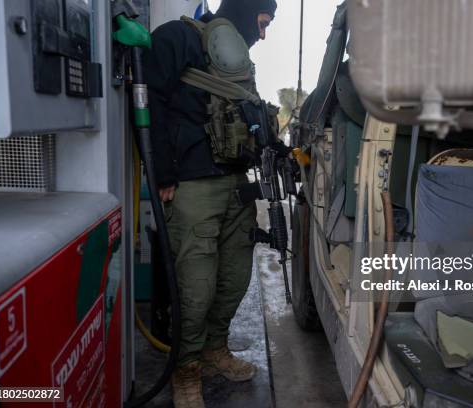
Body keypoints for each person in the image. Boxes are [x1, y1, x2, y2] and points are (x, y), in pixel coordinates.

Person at [143, 0, 277, 406]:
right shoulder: (177, 38)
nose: (264, 33)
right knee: (195, 289)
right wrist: (162, 174)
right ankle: (186, 372)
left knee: (234, 279)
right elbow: (149, 104)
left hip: (237, 184)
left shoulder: (237, 64)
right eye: (263, 21)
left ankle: (215, 351)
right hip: (192, 186)